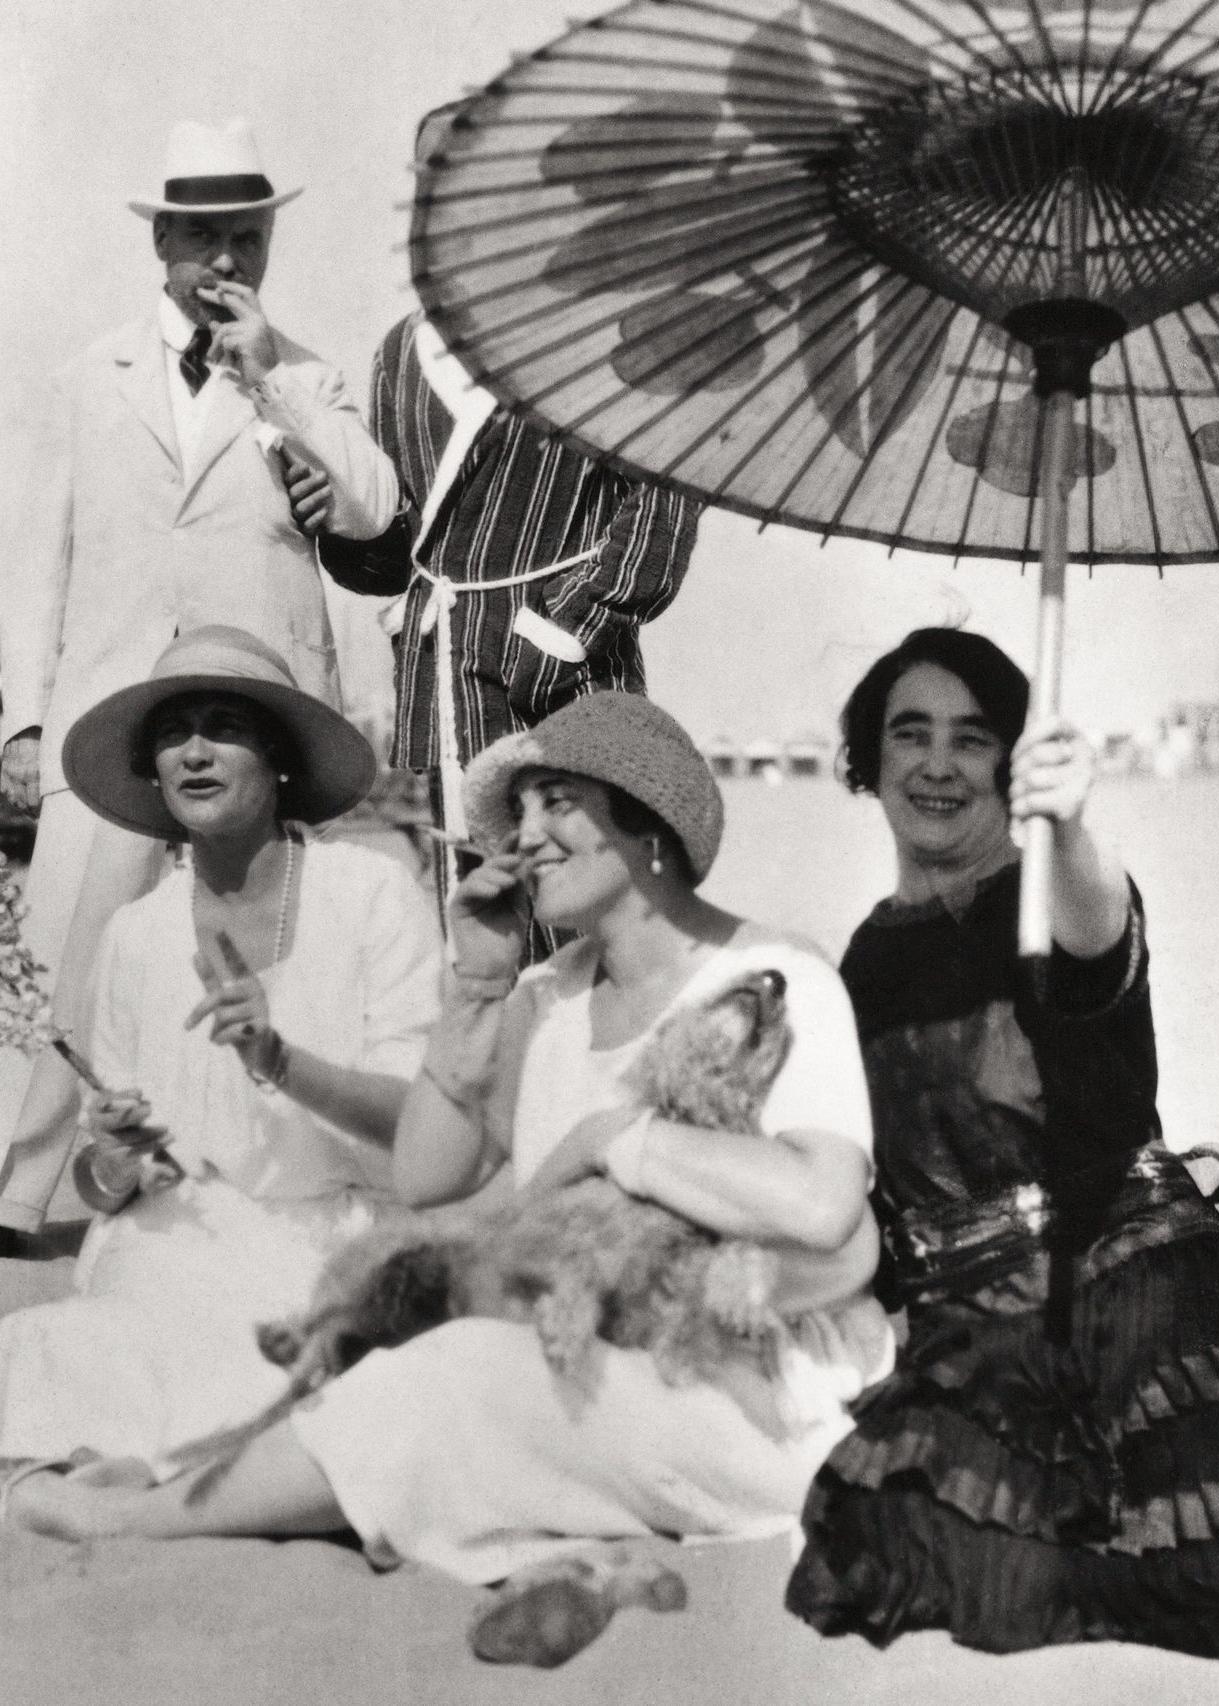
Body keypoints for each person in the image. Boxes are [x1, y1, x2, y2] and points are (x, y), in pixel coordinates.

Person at [5, 691, 892, 1652]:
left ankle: (134, 1519)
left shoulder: (770, 972)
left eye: (560, 803)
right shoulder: (546, 998)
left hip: (756, 1392)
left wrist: (614, 1142)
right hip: (593, 1361)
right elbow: (429, 1174)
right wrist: (475, 987)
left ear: (650, 824)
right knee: (411, 1364)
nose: (527, 837)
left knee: (446, 1380)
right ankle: (578, 1565)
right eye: (522, 813)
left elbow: (823, 1202)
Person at [785, 626, 1219, 1668]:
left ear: (1011, 767)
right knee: (882, 1536)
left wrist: (1072, 822)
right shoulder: (861, 960)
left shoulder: (1051, 891)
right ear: (865, 762)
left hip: (1128, 1277)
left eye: (971, 740)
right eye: (907, 733)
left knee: (1216, 1548)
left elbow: (1100, 937)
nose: (934, 762)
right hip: (967, 1321)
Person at [0, 119, 400, 1234]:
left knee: (262, 936)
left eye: (248, 239)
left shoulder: (309, 373)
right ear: (162, 242)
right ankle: (26, 1191)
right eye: (206, 239)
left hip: (259, 707)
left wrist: (277, 384)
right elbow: (36, 559)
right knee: (86, 943)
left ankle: (253, 1175)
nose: (226, 263)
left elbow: (373, 509)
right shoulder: (88, 377)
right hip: (114, 706)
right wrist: (25, 721)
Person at [0, 626, 439, 1468]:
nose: (194, 754)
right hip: (172, 1246)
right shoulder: (137, 933)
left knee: (277, 1367)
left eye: (223, 728)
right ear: (154, 773)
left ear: (278, 759)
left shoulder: (372, 894)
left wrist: (282, 1062)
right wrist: (121, 1159)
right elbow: (105, 1182)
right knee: (54, 1351)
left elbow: (419, 1126)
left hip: (334, 1240)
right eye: (173, 734)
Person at [313, 104, 701, 939]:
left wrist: (568, 631)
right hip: (439, 673)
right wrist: (336, 515)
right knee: (469, 913)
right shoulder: (398, 353)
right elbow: (398, 544)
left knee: (592, 895)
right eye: (430, 176)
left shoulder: (595, 325)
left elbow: (663, 500)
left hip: (565, 669)